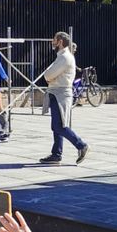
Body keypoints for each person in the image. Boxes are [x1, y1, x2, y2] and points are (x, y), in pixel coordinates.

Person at [39, 32, 89, 164]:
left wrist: (49, 76)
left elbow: (48, 75)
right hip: (56, 92)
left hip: (60, 94)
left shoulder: (65, 57)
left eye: (54, 39)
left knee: (60, 126)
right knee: (56, 126)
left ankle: (81, 145)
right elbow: (49, 74)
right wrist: (49, 76)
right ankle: (56, 154)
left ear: (60, 41)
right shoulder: (61, 56)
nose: (52, 42)